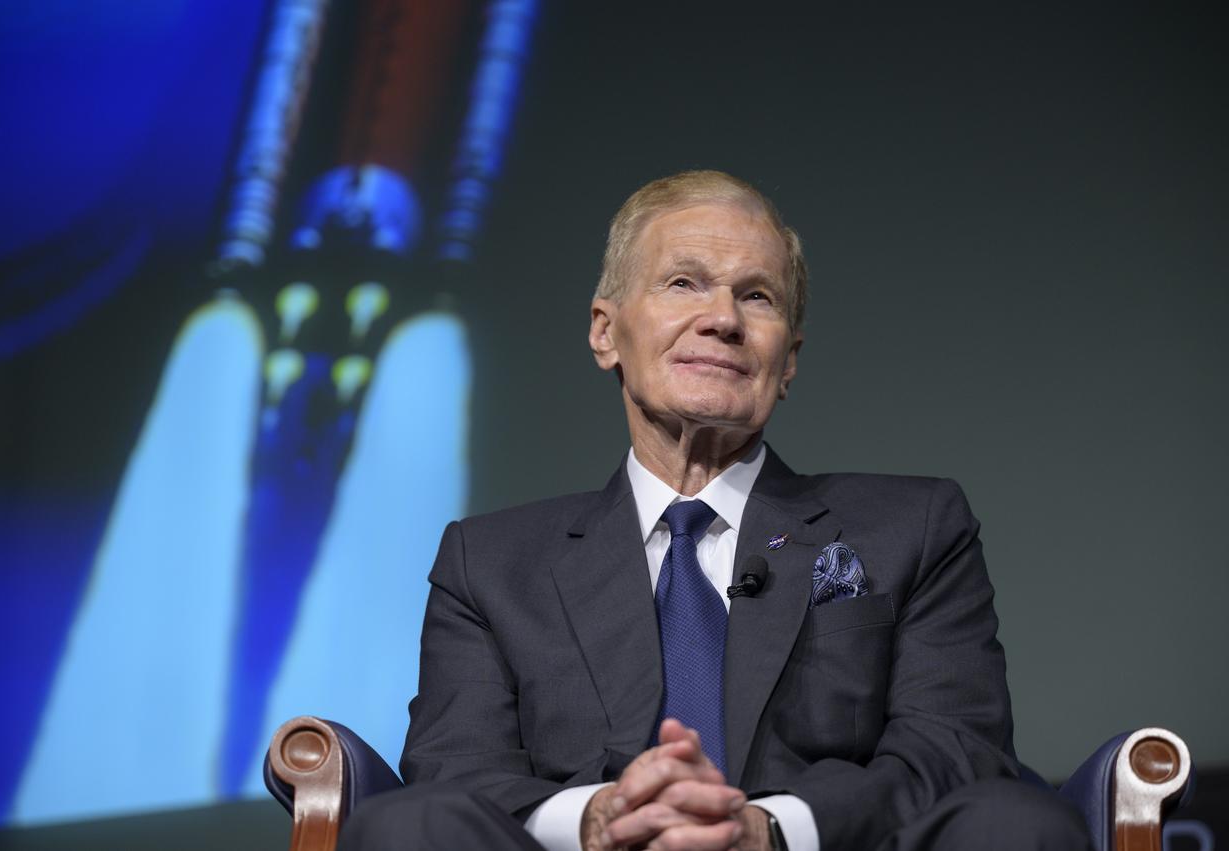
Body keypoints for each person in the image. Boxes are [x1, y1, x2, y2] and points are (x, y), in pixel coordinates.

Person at [339, 171, 1091, 850]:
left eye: (756, 296)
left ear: (787, 360)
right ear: (606, 332)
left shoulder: (916, 526)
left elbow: (956, 748)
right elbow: (457, 768)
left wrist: (768, 829)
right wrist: (600, 817)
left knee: (1014, 822)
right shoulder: (489, 562)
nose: (723, 318)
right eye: (683, 283)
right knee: (409, 826)